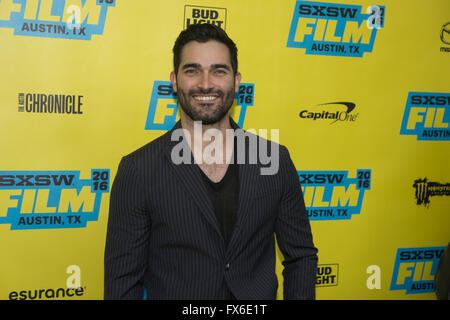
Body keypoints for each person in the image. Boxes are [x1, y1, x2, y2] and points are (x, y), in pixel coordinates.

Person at [104, 23, 318, 300]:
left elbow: (301, 256)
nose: (206, 84)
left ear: (236, 81)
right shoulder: (138, 170)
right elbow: (123, 284)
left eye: (219, 70)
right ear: (174, 80)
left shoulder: (274, 160)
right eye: (192, 70)